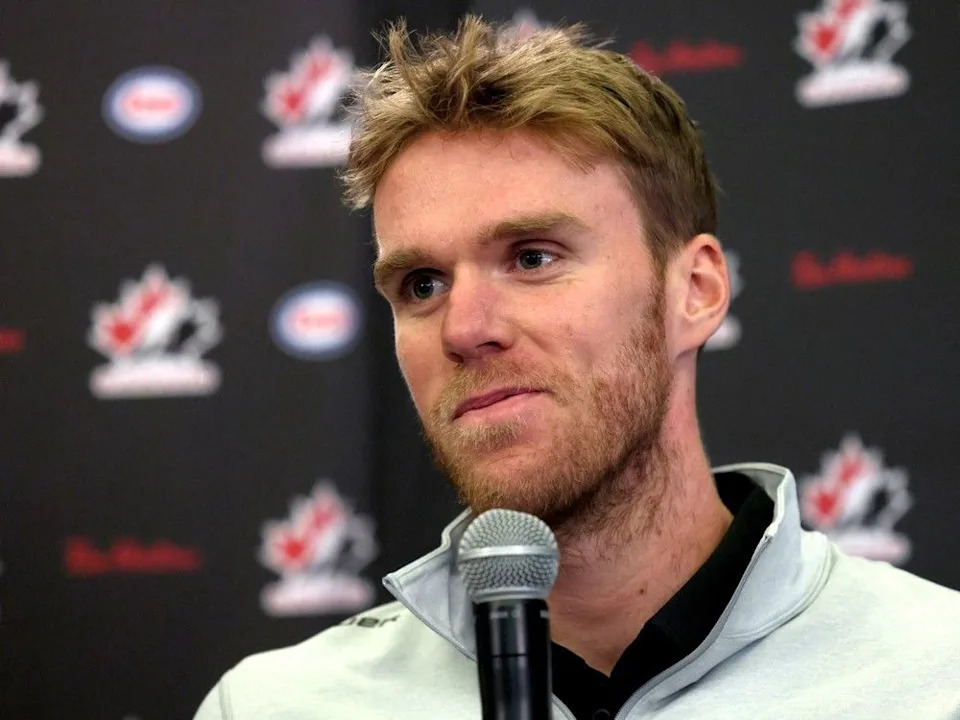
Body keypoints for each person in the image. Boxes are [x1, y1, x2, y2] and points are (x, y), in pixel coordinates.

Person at [195, 16, 960, 719]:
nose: (465, 329)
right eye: (422, 285)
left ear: (693, 292)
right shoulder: (275, 707)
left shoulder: (934, 674)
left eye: (533, 258)